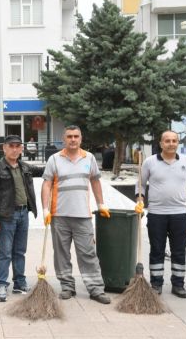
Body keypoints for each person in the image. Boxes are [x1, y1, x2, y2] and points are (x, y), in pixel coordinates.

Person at [40, 125, 112, 305]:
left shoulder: (89, 158)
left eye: (76, 136)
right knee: (61, 254)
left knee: (88, 253)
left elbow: (95, 181)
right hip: (59, 216)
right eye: (69, 136)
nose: (73, 139)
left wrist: (101, 203)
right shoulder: (54, 159)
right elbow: (47, 184)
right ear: (64, 139)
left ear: (81, 138)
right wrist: (45, 209)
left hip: (83, 215)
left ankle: (95, 288)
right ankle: (67, 287)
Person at [135, 130, 186, 298]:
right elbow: (140, 184)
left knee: (179, 251)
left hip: (180, 214)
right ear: (161, 143)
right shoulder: (149, 162)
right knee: (157, 250)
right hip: (156, 214)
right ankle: (156, 284)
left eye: (174, 140)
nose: (171, 143)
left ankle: (178, 285)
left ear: (178, 143)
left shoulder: (185, 161)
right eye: (167, 141)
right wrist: (140, 201)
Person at [0, 135, 43, 302]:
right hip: (6, 216)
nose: (15, 149)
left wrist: (60, 159)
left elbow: (44, 171)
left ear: (22, 148)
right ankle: (2, 284)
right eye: (11, 146)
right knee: (5, 252)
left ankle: (19, 283)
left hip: (24, 214)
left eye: (18, 146)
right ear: (4, 148)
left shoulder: (24, 167)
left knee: (19, 251)